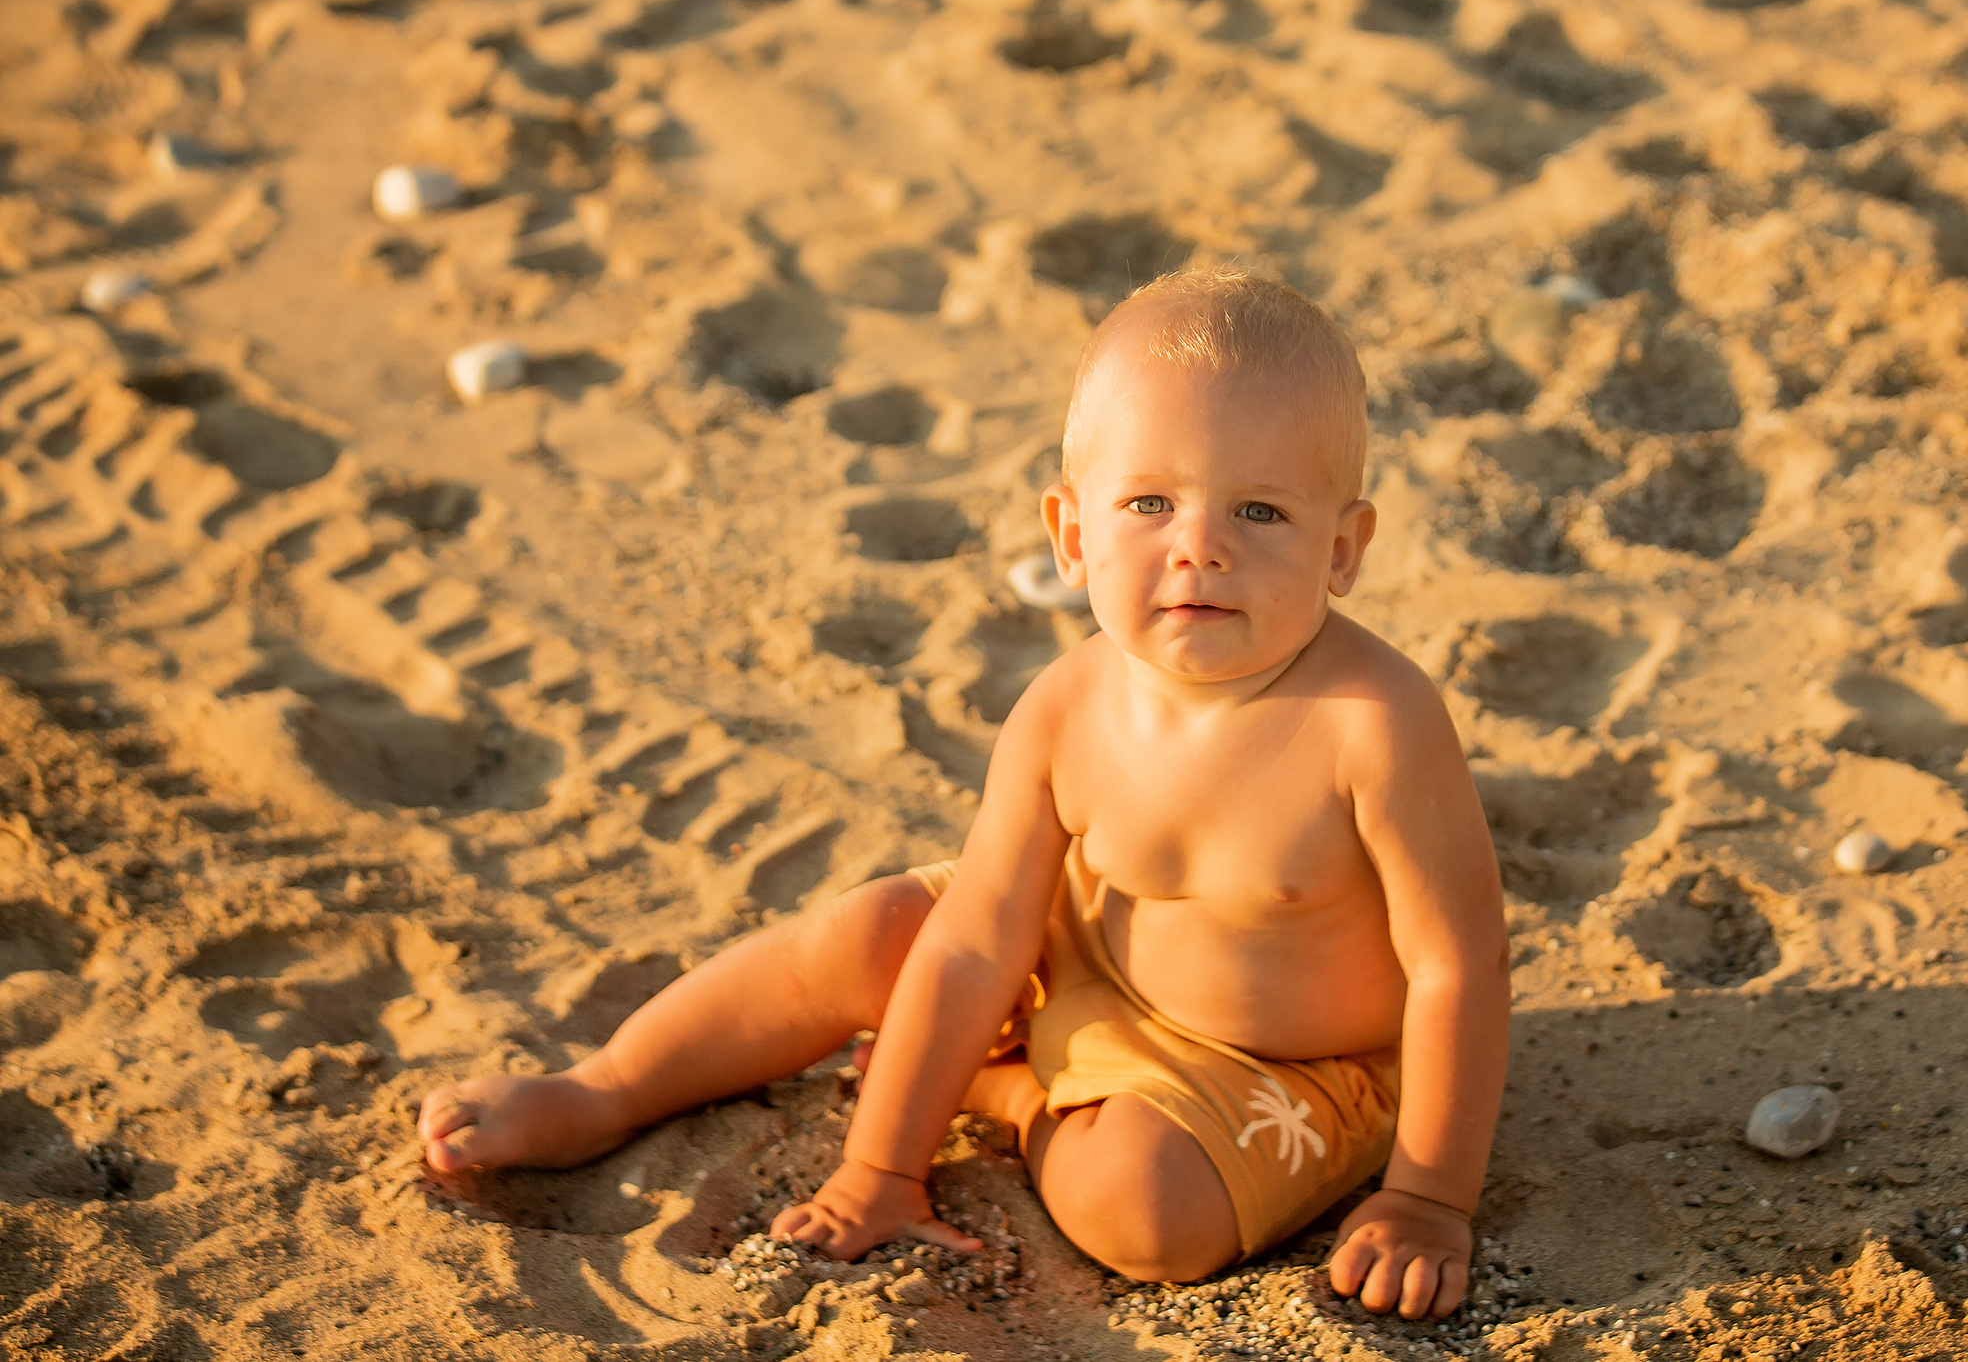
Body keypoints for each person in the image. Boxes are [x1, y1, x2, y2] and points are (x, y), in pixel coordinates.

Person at [415, 269, 1510, 1318]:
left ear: (1344, 547)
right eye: (1149, 502)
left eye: (1260, 513)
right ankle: (607, 1088)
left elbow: (1454, 966)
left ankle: (1018, 1097)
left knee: (1145, 1215)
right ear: (1073, 537)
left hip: (1288, 1062)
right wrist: (880, 1168)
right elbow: (979, 943)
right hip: (1086, 956)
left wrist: (1426, 1198)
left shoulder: (1375, 725)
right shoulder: (1064, 705)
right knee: (875, 929)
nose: (1200, 550)